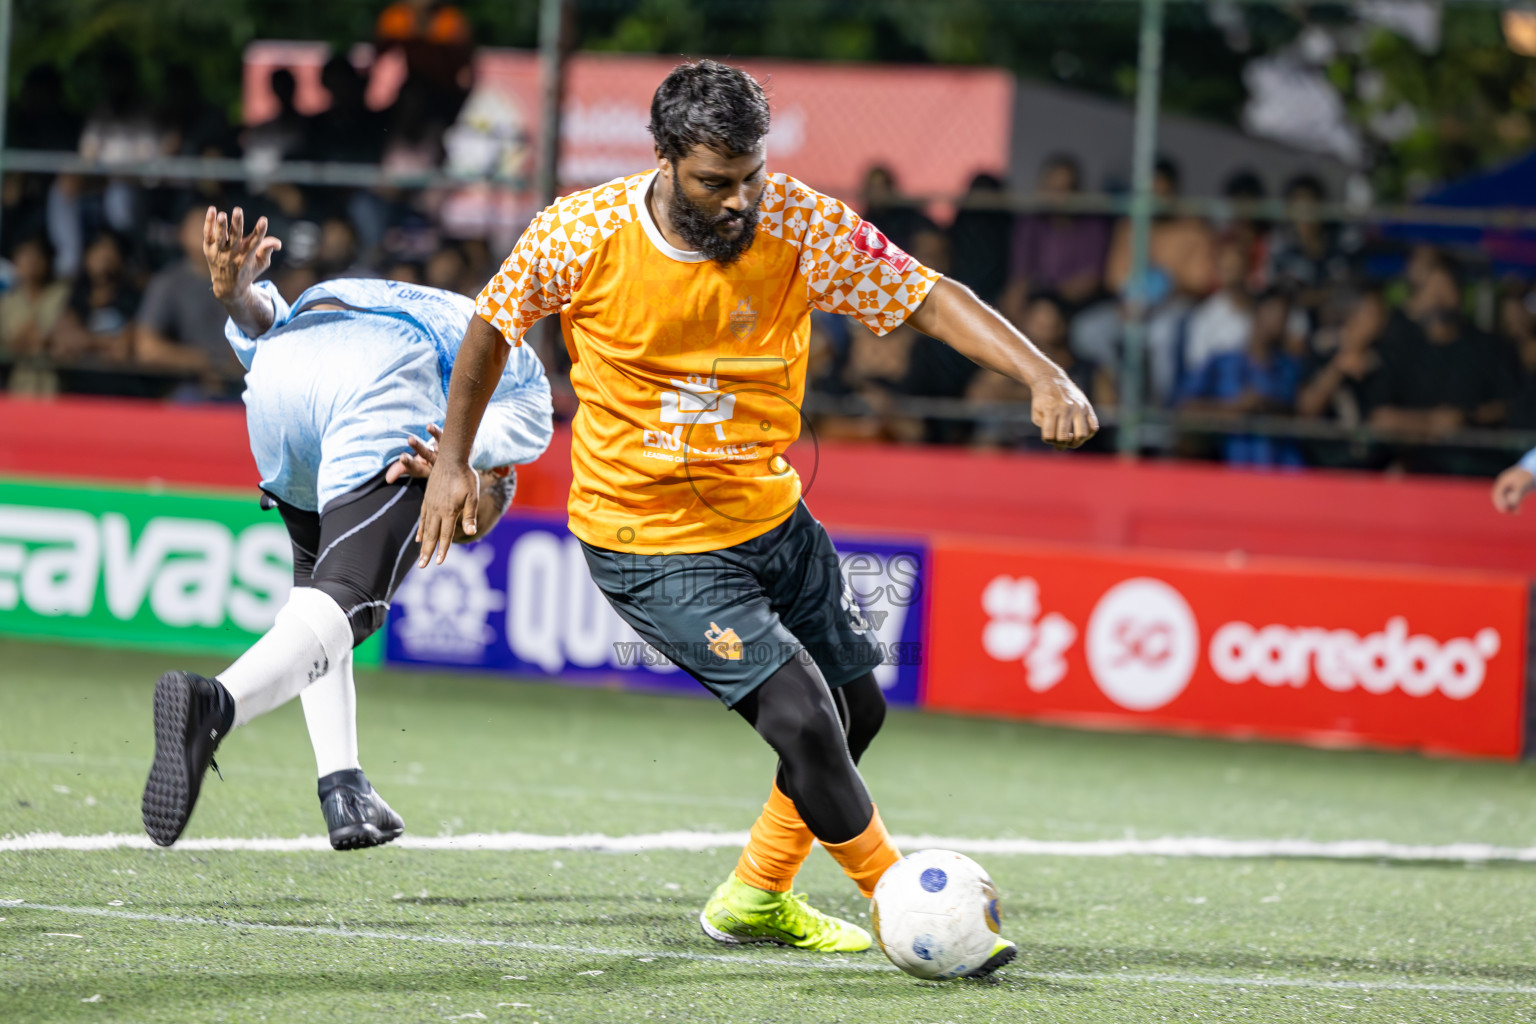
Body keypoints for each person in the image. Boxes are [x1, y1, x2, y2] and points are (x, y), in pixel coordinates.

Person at [415, 60, 1095, 971]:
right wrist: (453, 463)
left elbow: (928, 296)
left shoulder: (800, 222)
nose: (738, 202)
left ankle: (755, 898)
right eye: (713, 183)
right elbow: (492, 325)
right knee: (805, 716)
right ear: (663, 158)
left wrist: (1041, 373)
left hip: (770, 515)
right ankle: (906, 907)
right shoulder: (579, 234)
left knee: (857, 711)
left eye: (749, 178)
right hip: (647, 532)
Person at [140, 206, 553, 851]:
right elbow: (530, 419)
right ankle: (215, 703)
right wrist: (456, 458)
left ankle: (344, 786)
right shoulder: (514, 384)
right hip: (377, 381)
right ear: (497, 476)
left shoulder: (409, 300)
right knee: (354, 599)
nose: (441, 531)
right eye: (462, 521)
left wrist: (238, 295)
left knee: (320, 604)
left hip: (281, 380)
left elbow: (276, 326)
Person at [135, 206, 243, 385]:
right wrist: (201, 362)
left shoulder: (247, 277)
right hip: (189, 384)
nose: (207, 233)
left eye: (214, 225)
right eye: (199, 226)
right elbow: (146, 347)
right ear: (181, 234)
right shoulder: (168, 283)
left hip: (246, 381)